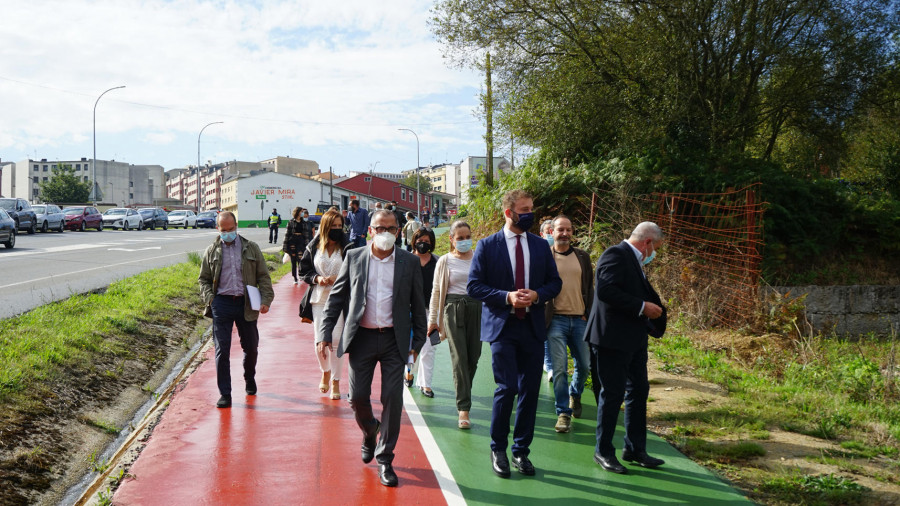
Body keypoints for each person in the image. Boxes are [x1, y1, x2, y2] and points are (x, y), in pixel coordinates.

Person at [319, 209, 427, 488]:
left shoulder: (409, 262)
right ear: (370, 231)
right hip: (362, 339)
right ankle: (370, 431)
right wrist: (325, 333)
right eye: (380, 228)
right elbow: (337, 299)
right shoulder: (354, 257)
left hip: (394, 340)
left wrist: (417, 344)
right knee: (356, 397)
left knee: (393, 398)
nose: (385, 233)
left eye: (391, 229)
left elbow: (418, 305)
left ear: (398, 232)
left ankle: (385, 458)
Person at [467, 190, 562, 478]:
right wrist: (507, 297)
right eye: (525, 209)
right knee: (506, 388)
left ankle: (521, 450)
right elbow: (474, 286)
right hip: (503, 327)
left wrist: (536, 295)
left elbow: (554, 283)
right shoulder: (487, 246)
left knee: (530, 391)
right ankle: (498, 448)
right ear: (509, 213)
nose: (530, 213)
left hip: (532, 327)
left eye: (532, 207)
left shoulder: (540, 245)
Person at [586, 222, 668, 474]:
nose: (655, 253)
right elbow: (606, 291)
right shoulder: (615, 254)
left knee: (638, 390)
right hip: (611, 339)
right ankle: (603, 451)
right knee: (612, 395)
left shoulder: (635, 261)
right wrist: (643, 307)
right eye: (656, 248)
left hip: (633, 338)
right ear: (647, 243)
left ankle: (634, 448)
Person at [198, 211, 274, 408]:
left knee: (251, 347)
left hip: (246, 303)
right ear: (218, 229)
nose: (228, 233)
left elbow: (263, 277)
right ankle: (225, 393)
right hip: (221, 303)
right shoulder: (212, 250)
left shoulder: (251, 248)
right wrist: (210, 299)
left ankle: (249, 377)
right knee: (222, 351)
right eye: (224, 230)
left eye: (231, 229)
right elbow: (204, 279)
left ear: (236, 226)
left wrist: (266, 299)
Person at [428, 220, 482, 429]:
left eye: (467, 237)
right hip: (452, 310)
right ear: (451, 239)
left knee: (474, 356)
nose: (465, 241)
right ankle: (464, 408)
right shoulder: (444, 261)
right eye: (460, 238)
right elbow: (436, 292)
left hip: (476, 308)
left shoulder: (479, 258)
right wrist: (433, 321)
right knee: (459, 358)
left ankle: (464, 392)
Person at [544, 215, 594, 433]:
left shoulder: (582, 257)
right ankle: (563, 412)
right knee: (560, 368)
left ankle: (575, 394)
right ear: (552, 232)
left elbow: (590, 288)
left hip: (580, 319)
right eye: (560, 230)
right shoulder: (545, 257)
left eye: (568, 230)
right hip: (555, 320)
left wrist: (588, 313)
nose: (564, 234)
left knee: (585, 365)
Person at [299, 210, 350, 400]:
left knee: (336, 340)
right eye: (333, 226)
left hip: (340, 299)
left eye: (339, 226)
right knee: (320, 341)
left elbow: (357, 270)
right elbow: (304, 270)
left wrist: (340, 278)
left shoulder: (348, 245)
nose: (337, 230)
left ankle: (336, 380)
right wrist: (317, 278)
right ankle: (325, 371)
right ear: (325, 227)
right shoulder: (314, 246)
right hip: (319, 299)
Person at [405, 227, 438, 396]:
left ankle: (426, 384)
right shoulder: (407, 260)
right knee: (411, 346)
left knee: (430, 347)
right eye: (420, 241)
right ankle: (409, 373)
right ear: (414, 241)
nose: (423, 244)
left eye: (426, 241)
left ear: (431, 243)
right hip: (410, 311)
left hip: (432, 312)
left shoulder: (438, 262)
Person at [540, 219, 555, 382]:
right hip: (544, 303)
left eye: (553, 231)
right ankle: (549, 365)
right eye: (548, 232)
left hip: (564, 305)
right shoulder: (539, 253)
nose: (551, 234)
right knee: (546, 333)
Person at [283, 207, 313, 285]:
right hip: (292, 242)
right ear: (298, 212)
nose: (303, 213)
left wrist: (307, 245)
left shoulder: (304, 222)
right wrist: (285, 246)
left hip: (301, 242)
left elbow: (306, 235)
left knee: (300, 259)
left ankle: (300, 274)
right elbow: (287, 234)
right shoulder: (291, 222)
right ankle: (294, 277)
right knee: (293, 260)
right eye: (301, 212)